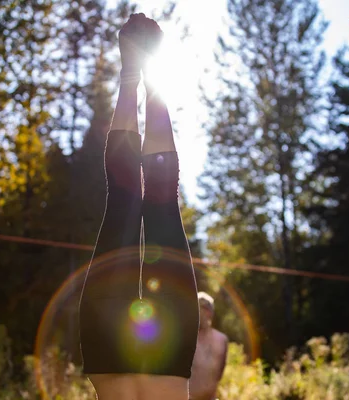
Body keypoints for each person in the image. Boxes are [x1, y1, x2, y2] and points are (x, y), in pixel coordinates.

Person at [78, 13, 199, 400]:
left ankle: (142, 76)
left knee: (154, 205)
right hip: (115, 353)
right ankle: (139, 74)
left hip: (155, 355)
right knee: (132, 201)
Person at [189, 292, 229, 400]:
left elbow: (219, 373)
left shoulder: (221, 340)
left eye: (199, 309)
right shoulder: (187, 338)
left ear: (208, 312)